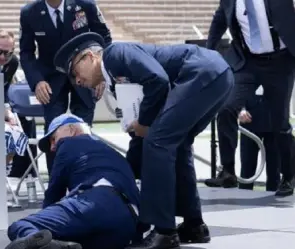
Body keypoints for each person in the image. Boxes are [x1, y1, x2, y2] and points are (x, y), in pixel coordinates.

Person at [53, 32, 234, 249]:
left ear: (90, 57)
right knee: (177, 144)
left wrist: (145, 123)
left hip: (201, 72)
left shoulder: (115, 54)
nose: (78, 81)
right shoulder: (114, 78)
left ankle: (165, 231)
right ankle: (194, 224)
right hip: (216, 75)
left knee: (158, 143)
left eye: (75, 72)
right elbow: (142, 123)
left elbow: (157, 80)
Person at [6, 113, 140, 249]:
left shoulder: (69, 143)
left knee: (21, 227)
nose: (52, 147)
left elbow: (53, 194)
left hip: (95, 202)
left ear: (71, 129)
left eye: (53, 138)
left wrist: (47, 225)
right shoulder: (115, 155)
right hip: (128, 221)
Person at [204, 0, 295, 196]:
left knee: (280, 124)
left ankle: (288, 176)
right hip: (247, 61)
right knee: (226, 108)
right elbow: (219, 22)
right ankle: (227, 170)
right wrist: (208, 52)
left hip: (280, 62)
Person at [19, 0, 112, 173]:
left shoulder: (85, 5)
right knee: (54, 131)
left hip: (87, 75)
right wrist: (37, 81)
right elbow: (26, 52)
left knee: (84, 129)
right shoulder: (29, 12)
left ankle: (85, 177)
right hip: (50, 80)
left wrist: (101, 75)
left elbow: (104, 38)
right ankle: (57, 184)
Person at [0, 30, 37, 178]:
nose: (2, 57)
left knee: (24, 120)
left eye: (7, 53)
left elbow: (4, 89)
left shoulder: (13, 62)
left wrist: (7, 110)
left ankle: (22, 170)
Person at [238, 88, 280, 191]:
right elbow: (239, 88)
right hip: (249, 118)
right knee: (247, 166)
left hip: (274, 118)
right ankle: (243, 199)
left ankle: (273, 197)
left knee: (274, 167)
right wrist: (240, 109)